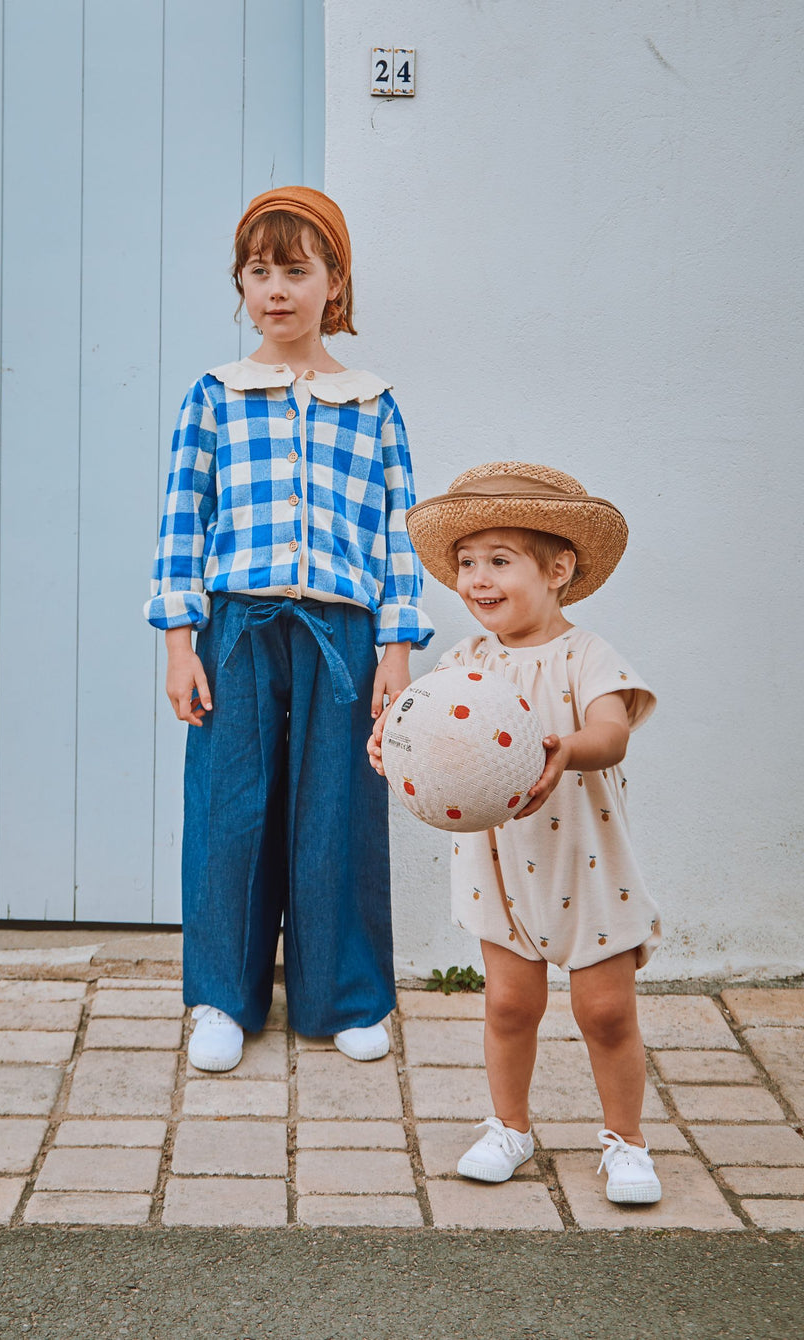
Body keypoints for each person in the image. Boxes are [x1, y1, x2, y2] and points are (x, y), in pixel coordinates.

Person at [145, 187, 434, 1073]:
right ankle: (222, 1000)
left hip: (344, 642)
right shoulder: (214, 398)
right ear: (240, 282)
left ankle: (341, 996)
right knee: (230, 810)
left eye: (297, 270)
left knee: (338, 808)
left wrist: (396, 653)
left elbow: (402, 531)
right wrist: (179, 641)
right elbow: (182, 522)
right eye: (259, 270)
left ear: (333, 283)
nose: (277, 288)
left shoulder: (373, 404)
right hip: (236, 630)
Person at [368, 461, 663, 1204]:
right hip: (499, 866)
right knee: (507, 1004)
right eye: (467, 563)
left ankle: (626, 1141)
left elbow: (611, 732)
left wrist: (562, 749)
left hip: (586, 867)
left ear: (558, 568)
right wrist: (391, 745)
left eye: (500, 560)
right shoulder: (467, 664)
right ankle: (510, 1126)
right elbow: (423, 733)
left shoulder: (585, 656)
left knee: (604, 1012)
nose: (477, 578)